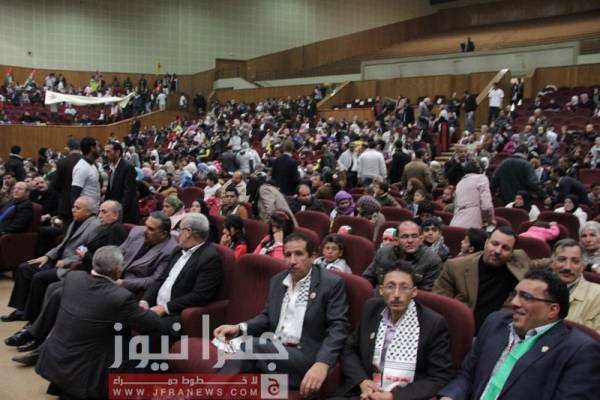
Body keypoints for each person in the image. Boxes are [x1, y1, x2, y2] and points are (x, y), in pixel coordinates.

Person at [214, 232, 350, 397]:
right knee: (230, 357)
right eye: (288, 255)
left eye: (298, 254)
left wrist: (323, 363)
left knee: (250, 346)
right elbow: (267, 316)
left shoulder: (330, 284)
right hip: (276, 349)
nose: (292, 261)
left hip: (305, 356)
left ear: (313, 257)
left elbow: (338, 327)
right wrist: (239, 328)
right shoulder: (278, 281)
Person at [438, 269, 600, 400]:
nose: (514, 302)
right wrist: (450, 396)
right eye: (516, 294)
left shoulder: (580, 351)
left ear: (552, 310)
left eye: (526, 297)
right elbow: (467, 375)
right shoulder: (495, 323)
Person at [35, 246, 161, 400]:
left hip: (57, 359)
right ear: (118, 270)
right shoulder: (120, 297)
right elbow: (151, 324)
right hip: (88, 373)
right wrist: (147, 309)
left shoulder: (73, 278)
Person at [337, 263, 453, 399]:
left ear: (414, 292)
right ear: (381, 290)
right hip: (365, 393)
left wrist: (393, 397)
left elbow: (439, 376)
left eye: (404, 287)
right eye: (390, 286)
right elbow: (349, 349)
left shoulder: (433, 323)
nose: (397, 294)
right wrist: (362, 380)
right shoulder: (371, 309)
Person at [2, 196, 100, 323]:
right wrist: (47, 256)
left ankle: (34, 316)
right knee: (24, 268)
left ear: (88, 211)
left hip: (69, 266)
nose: (73, 210)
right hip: (57, 260)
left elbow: (87, 253)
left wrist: (66, 262)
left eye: (78, 208)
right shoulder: (75, 221)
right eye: (73, 207)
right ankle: (20, 310)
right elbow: (62, 245)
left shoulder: (94, 226)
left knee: (38, 277)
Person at [433, 226, 547, 332]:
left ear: (512, 253)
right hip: (462, 329)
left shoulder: (520, 258)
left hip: (501, 331)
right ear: (486, 242)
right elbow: (438, 303)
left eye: (505, 248)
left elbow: (540, 264)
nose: (497, 251)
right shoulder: (456, 267)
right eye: (494, 244)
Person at [140, 213, 223, 336]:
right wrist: (145, 300)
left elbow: (200, 296)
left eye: (179, 229)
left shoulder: (209, 258)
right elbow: (161, 278)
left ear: (188, 232)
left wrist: (165, 308)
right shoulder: (178, 250)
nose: (178, 233)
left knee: (148, 329)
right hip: (155, 307)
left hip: (176, 314)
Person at [363, 220, 442, 290]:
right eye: (405, 237)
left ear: (421, 240)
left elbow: (426, 294)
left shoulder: (432, 260)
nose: (410, 241)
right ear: (396, 240)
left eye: (414, 236)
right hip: (380, 297)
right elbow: (367, 279)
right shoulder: (383, 253)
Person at [549, 239, 600, 332]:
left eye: (575, 261)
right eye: (562, 259)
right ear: (552, 263)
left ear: (582, 266)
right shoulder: (535, 289)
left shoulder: (598, 295)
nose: (567, 267)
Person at [450, 160, 494, 230]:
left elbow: (455, 207)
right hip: (471, 224)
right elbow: (487, 206)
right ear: (479, 170)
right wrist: (490, 220)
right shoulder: (482, 178)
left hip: (454, 224)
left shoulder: (459, 183)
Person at [103, 141, 139, 223]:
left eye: (108, 151)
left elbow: (129, 193)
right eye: (105, 151)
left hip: (125, 214)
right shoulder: (110, 167)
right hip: (114, 210)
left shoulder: (128, 167)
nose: (105, 154)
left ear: (118, 152)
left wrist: (119, 212)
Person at [50, 138, 81, 222]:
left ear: (68, 148)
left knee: (67, 228)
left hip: (66, 204)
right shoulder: (87, 161)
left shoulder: (62, 162)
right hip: (84, 204)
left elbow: (55, 185)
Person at [71, 136, 101, 210]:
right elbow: (75, 194)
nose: (99, 149)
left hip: (94, 210)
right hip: (86, 212)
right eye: (97, 146)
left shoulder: (93, 164)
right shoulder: (81, 167)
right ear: (92, 148)